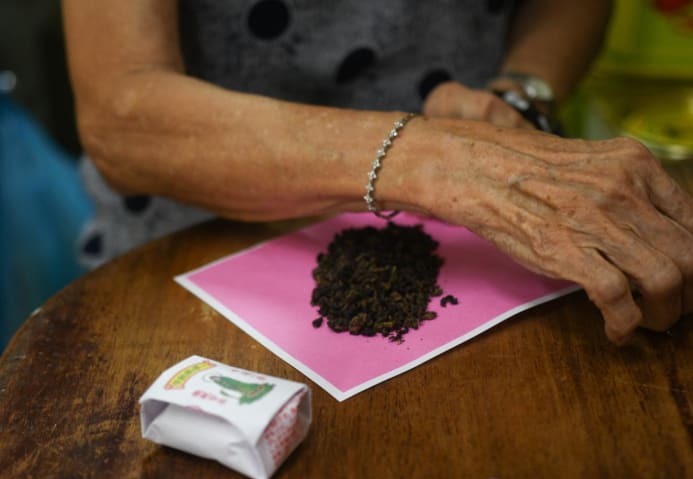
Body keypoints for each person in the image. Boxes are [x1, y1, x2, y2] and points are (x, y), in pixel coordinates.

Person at [61, 0, 693, 345]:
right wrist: (439, 159)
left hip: (486, 230)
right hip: (194, 248)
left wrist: (520, 93)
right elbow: (122, 115)